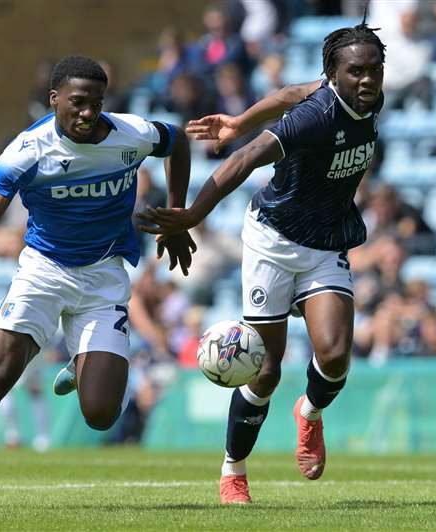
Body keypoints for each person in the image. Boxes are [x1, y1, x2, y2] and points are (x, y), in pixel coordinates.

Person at [0, 55, 195, 510]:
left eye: (96, 102)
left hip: (104, 277)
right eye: (77, 103)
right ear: (54, 101)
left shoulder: (132, 134)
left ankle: (82, 358)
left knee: (101, 414)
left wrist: (176, 217)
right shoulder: (28, 151)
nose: (88, 113)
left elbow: (180, 143)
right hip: (43, 274)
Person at [138, 19, 386, 504]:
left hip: (325, 240)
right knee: (265, 369)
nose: (367, 80)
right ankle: (234, 470)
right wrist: (190, 213)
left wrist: (237, 118)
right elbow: (246, 158)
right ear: (334, 75)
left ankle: (309, 413)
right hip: (273, 240)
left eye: (374, 70)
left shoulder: (361, 98)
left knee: (334, 357)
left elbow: (291, 89)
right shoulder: (316, 116)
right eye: (356, 71)